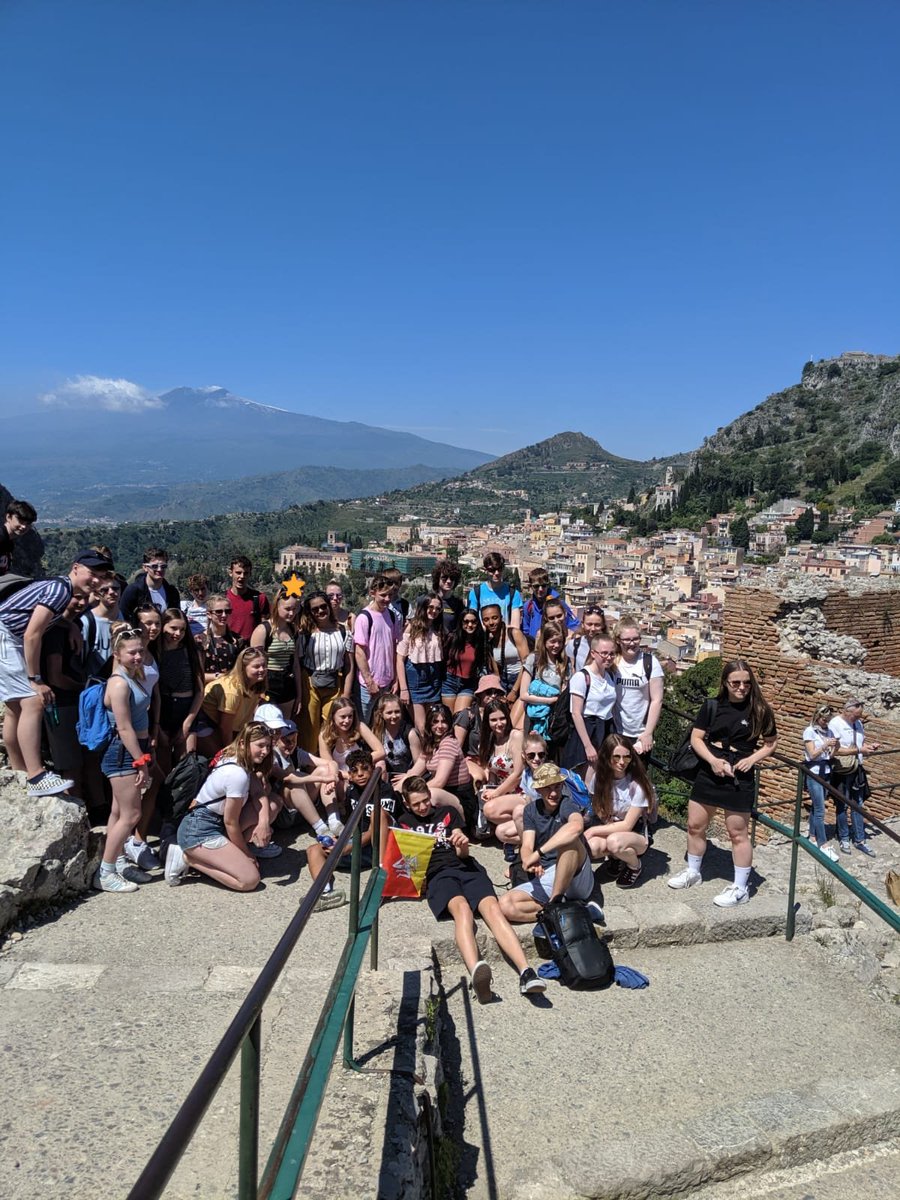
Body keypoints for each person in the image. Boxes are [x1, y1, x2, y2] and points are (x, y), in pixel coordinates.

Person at [395, 777, 546, 1000]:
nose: (423, 807)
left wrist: (462, 845)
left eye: (426, 800)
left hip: (465, 866)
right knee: (462, 910)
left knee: (493, 910)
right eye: (416, 804)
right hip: (438, 874)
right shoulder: (404, 823)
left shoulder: (447, 812)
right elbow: (407, 863)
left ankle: (526, 972)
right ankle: (477, 972)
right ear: (407, 804)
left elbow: (463, 855)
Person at [0, 549, 113, 796]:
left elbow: (36, 614)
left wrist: (67, 624)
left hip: (6, 633)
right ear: (75, 568)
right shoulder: (61, 590)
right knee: (32, 702)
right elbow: (32, 634)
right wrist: (35, 679)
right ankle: (36, 775)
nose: (96, 580)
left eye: (101, 576)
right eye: (92, 574)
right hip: (7, 637)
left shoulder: (59, 587)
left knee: (15, 707)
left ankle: (19, 769)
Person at [668, 659, 777, 907]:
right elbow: (696, 738)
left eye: (747, 683)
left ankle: (740, 887)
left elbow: (771, 743)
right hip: (711, 768)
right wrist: (714, 761)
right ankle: (693, 871)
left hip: (740, 772)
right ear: (726, 683)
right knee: (695, 825)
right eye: (735, 683)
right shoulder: (712, 706)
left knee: (737, 833)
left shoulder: (760, 710)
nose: (741, 688)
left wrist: (752, 759)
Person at [165, 722, 277, 891]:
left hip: (210, 821)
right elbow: (230, 822)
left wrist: (264, 823)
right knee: (249, 879)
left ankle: (226, 855)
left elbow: (258, 793)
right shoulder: (237, 774)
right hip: (199, 831)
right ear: (243, 743)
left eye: (268, 746)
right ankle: (187, 858)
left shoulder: (236, 758)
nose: (266, 751)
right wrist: (246, 854)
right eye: (260, 745)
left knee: (272, 805)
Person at [93, 627, 155, 893]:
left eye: (141, 650)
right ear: (117, 654)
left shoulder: (130, 676)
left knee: (118, 812)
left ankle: (116, 861)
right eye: (132, 652)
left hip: (130, 749)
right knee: (132, 814)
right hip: (123, 751)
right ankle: (105, 872)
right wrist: (140, 761)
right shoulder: (118, 683)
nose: (138, 656)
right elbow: (124, 728)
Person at [498, 762, 598, 924]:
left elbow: (576, 826)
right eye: (548, 788)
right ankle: (563, 910)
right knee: (505, 906)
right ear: (538, 789)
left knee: (568, 840)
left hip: (574, 873)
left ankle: (557, 902)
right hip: (548, 874)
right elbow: (527, 845)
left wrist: (539, 853)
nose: (554, 793)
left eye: (557, 787)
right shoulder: (530, 810)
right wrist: (528, 859)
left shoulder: (567, 804)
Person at [306, 747, 396, 912]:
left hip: (382, 845)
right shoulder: (353, 791)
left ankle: (382, 878)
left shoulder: (385, 791)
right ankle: (325, 893)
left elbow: (375, 830)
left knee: (378, 813)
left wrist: (348, 848)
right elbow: (351, 824)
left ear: (374, 769)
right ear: (350, 775)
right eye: (354, 771)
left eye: (365, 768)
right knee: (314, 850)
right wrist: (340, 842)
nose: (360, 774)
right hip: (360, 846)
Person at [584, 735, 652, 889]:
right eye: (616, 757)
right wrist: (605, 822)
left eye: (627, 757)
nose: (622, 762)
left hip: (635, 835)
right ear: (607, 757)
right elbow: (598, 806)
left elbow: (628, 825)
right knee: (592, 847)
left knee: (614, 842)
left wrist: (593, 830)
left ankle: (635, 866)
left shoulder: (637, 785)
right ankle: (616, 858)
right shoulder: (599, 778)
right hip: (611, 826)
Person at [40, 593, 88, 800]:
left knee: (76, 762)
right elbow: (55, 676)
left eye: (85, 598)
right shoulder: (54, 633)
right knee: (70, 765)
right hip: (61, 703)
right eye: (76, 598)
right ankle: (75, 809)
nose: (82, 603)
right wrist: (83, 688)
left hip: (69, 702)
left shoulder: (69, 624)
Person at [396, 703, 474, 825]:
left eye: (444, 721)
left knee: (431, 794)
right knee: (404, 782)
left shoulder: (449, 743)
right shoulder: (431, 742)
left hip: (460, 798)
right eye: (435, 722)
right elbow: (415, 771)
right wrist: (398, 789)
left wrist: (412, 795)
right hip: (444, 793)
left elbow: (439, 781)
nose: (440, 726)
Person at [295, 589, 353, 752]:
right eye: (315, 609)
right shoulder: (304, 634)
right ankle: (309, 766)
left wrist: (346, 696)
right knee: (309, 730)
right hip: (310, 684)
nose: (320, 611)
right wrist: (300, 694)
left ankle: (330, 761)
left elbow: (349, 665)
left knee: (333, 728)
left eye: (323, 606)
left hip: (335, 684)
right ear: (310, 612)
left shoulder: (343, 631)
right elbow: (298, 665)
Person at [318, 696, 385, 825]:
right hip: (340, 775)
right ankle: (334, 818)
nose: (347, 721)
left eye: (350, 716)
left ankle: (378, 803)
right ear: (333, 717)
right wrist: (346, 775)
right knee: (327, 774)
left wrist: (359, 764)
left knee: (381, 765)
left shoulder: (359, 727)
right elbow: (328, 764)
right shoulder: (325, 735)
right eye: (342, 717)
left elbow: (381, 751)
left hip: (361, 771)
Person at [828, 699, 879, 857]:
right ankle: (843, 837)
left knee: (858, 803)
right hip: (843, 770)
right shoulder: (835, 724)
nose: (858, 719)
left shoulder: (858, 724)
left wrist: (868, 747)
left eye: (860, 716)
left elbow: (859, 744)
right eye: (855, 716)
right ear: (846, 712)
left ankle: (860, 839)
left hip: (857, 769)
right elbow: (834, 751)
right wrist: (859, 750)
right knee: (842, 804)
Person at [156, 607, 204, 774]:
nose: (178, 633)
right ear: (163, 627)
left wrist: (188, 722)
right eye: (173, 628)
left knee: (187, 765)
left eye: (182, 629)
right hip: (163, 708)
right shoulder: (155, 653)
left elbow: (200, 691)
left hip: (186, 707)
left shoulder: (192, 652)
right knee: (163, 767)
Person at [561, 633, 617, 776]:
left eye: (612, 654)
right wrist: (588, 746)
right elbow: (576, 713)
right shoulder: (582, 677)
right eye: (604, 653)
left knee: (601, 777)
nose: (608, 657)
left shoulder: (609, 676)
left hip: (605, 729)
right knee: (588, 779)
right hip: (588, 730)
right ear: (593, 653)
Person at [198, 646, 268, 755]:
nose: (262, 670)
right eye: (256, 666)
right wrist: (231, 751)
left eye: (264, 665)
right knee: (221, 756)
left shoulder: (256, 685)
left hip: (228, 726)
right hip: (205, 721)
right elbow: (225, 727)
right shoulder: (232, 690)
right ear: (243, 668)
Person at [476, 699, 525, 849]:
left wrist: (495, 793)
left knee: (490, 810)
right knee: (499, 829)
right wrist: (488, 789)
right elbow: (493, 773)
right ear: (487, 722)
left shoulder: (515, 736)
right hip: (504, 791)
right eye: (493, 720)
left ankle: (530, 826)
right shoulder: (489, 741)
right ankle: (521, 831)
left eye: (502, 718)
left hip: (521, 791)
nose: (499, 723)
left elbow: (518, 773)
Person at [612, 617, 664, 757]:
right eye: (627, 640)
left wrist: (648, 733)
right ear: (618, 640)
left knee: (638, 776)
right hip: (615, 730)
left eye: (636, 639)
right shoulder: (612, 662)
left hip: (640, 733)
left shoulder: (649, 662)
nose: (632, 643)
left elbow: (657, 700)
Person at [353, 573, 402, 722]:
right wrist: (369, 681)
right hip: (368, 685)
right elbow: (359, 652)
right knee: (363, 723)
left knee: (381, 723)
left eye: (390, 595)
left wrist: (395, 678)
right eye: (383, 595)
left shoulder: (392, 616)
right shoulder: (364, 618)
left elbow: (393, 647)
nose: (387, 599)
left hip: (387, 682)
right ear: (372, 593)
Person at [251, 584, 302, 719]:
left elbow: (295, 663)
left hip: (287, 685)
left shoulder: (294, 631)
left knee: (284, 729)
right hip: (267, 685)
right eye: (287, 609)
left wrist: (299, 694)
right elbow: (253, 664)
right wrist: (257, 691)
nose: (291, 613)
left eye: (295, 609)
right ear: (276, 606)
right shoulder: (263, 630)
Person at [397, 592, 445, 735]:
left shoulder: (438, 628)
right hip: (415, 680)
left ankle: (433, 755)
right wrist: (404, 689)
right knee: (421, 727)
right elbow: (399, 659)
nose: (434, 611)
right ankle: (424, 755)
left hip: (433, 679)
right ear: (423, 607)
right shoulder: (411, 628)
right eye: (431, 607)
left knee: (433, 724)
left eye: (438, 608)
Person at [802, 704, 840, 862]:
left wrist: (835, 747)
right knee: (820, 810)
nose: (826, 722)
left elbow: (829, 756)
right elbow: (811, 754)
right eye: (824, 719)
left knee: (817, 806)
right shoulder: (809, 731)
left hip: (826, 772)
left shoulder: (829, 731)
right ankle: (822, 844)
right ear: (817, 716)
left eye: (828, 720)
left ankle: (812, 836)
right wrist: (824, 745)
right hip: (814, 773)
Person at [520, 620, 569, 740]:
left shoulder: (565, 662)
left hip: (555, 717)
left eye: (559, 642)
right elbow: (524, 695)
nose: (556, 646)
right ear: (544, 641)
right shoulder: (534, 659)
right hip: (535, 716)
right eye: (552, 641)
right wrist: (550, 700)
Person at [480, 602, 528, 722]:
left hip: (522, 681)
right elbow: (497, 673)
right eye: (486, 619)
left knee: (514, 720)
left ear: (501, 617)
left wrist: (514, 691)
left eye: (494, 618)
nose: (491, 622)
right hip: (505, 683)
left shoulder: (514, 634)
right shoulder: (490, 643)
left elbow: (527, 664)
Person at [371, 693, 422, 790]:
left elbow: (418, 763)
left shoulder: (410, 733)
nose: (394, 716)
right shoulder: (377, 732)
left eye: (397, 712)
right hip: (385, 777)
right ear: (381, 714)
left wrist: (409, 775)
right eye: (389, 713)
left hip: (406, 776)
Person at [453, 674, 506, 768]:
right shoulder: (468, 715)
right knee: (479, 777)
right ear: (481, 694)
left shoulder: (503, 715)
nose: (493, 696)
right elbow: (456, 748)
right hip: (471, 761)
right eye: (489, 692)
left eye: (497, 692)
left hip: (494, 761)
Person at [442, 607, 486, 713]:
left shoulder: (481, 642)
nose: (470, 625)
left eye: (473, 622)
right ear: (461, 623)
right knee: (449, 717)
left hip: (468, 683)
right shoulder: (452, 638)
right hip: (449, 681)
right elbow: (443, 658)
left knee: (460, 717)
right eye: (466, 622)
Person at [520, 567, 578, 646]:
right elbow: (525, 632)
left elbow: (574, 625)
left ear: (548, 585)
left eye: (543, 586)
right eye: (536, 586)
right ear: (530, 587)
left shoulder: (559, 604)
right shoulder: (528, 607)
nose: (540, 589)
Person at [120, 548, 181, 622]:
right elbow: (123, 617)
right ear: (145, 567)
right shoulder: (133, 591)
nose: (159, 569)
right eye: (154, 566)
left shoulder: (172, 592)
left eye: (163, 566)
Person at [467, 552, 523, 629]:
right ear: (485, 570)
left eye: (499, 569)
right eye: (492, 570)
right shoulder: (475, 593)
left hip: (505, 638)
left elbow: (515, 626)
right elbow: (472, 620)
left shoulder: (513, 594)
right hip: (483, 638)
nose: (496, 573)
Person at [81, 576, 122, 677]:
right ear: (96, 595)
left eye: (115, 588)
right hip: (94, 686)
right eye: (104, 590)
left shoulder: (126, 619)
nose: (111, 592)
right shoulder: (86, 622)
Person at [201, 594, 245, 683]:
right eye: (219, 611)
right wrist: (220, 676)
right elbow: (196, 674)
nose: (224, 615)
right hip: (209, 692)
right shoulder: (200, 641)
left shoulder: (237, 640)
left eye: (228, 611)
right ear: (209, 614)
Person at [225, 556, 270, 641]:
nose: (242, 576)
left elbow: (266, 627)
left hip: (252, 651)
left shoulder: (260, 598)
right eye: (238, 572)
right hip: (229, 649)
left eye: (245, 573)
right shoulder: (223, 600)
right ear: (231, 573)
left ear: (250, 574)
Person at [0, 498, 37, 576]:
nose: (24, 526)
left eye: (28, 523)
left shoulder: (8, 543)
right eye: (20, 521)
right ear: (8, 517)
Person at [566, 606, 608, 672]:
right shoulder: (574, 645)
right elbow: (571, 669)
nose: (593, 628)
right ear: (582, 624)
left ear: (602, 625)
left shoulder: (609, 646)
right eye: (589, 624)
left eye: (597, 625)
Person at [430, 559, 464, 632]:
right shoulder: (428, 601)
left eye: (452, 578)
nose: (448, 581)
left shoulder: (459, 605)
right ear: (437, 579)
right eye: (444, 578)